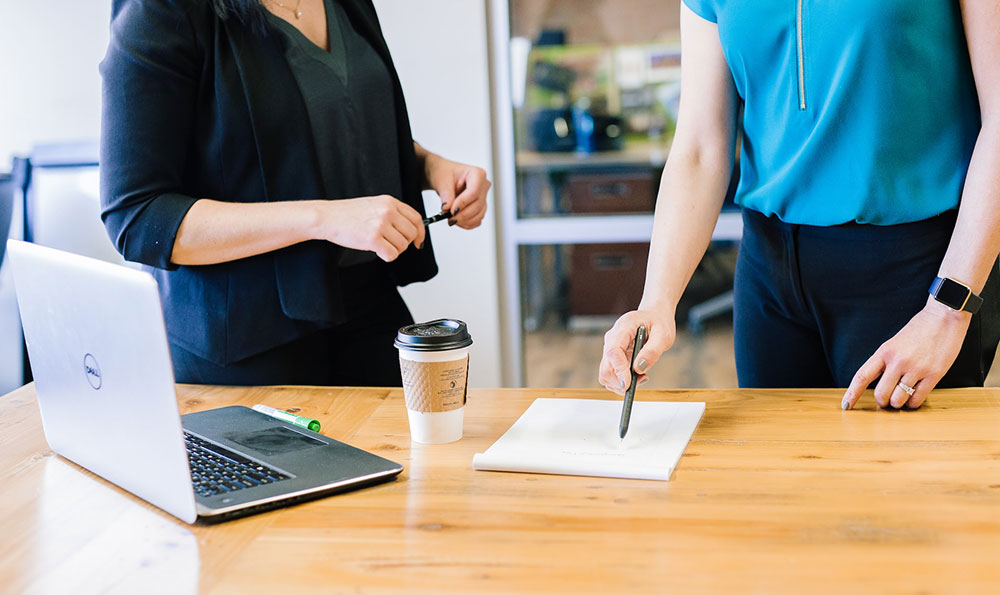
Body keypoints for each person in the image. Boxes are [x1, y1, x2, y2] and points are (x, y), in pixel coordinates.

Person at [599, 1, 1000, 410]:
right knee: (778, 468)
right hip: (769, 273)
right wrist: (657, 302)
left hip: (918, 271)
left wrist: (949, 310)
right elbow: (701, 147)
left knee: (906, 470)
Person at [100, 0, 490, 386]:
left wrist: (429, 167)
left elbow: (326, 125)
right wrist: (324, 218)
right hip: (249, 341)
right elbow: (138, 215)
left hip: (369, 305)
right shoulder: (161, 12)